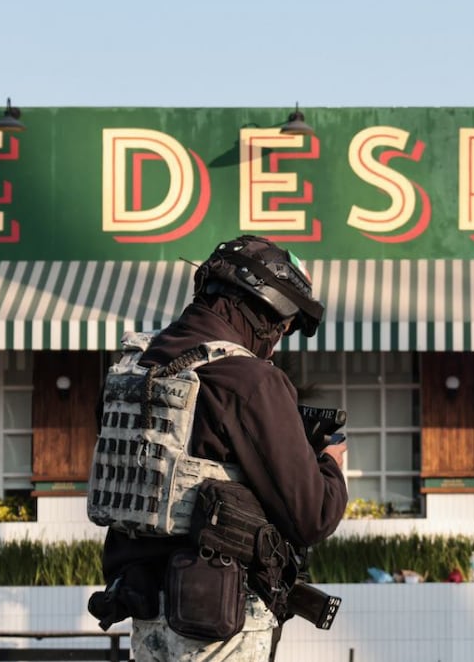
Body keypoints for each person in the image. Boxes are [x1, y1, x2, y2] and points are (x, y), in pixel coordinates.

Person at [86, 235, 349, 661]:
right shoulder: (249, 379)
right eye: (283, 326)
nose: (279, 340)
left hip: (146, 614)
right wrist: (330, 464)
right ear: (265, 311)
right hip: (219, 624)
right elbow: (312, 515)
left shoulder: (134, 369)